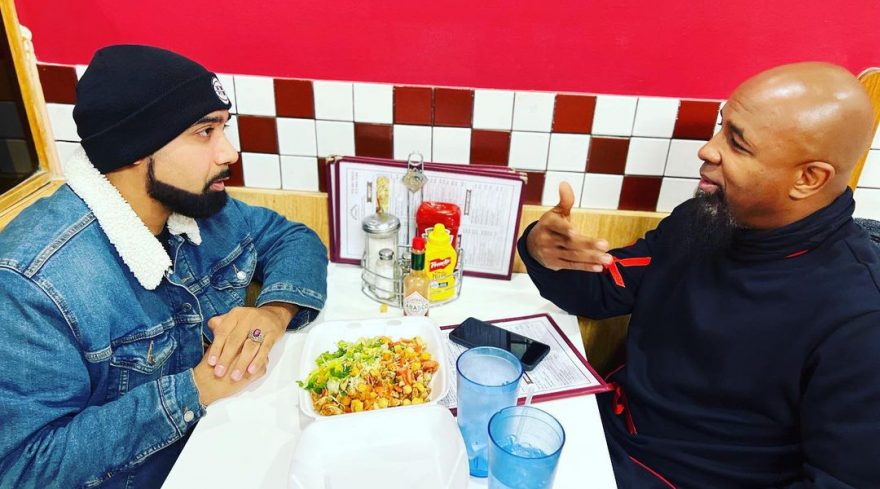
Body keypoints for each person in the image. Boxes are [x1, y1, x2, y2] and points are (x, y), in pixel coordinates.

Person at [519, 62, 880, 488]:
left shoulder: (860, 318)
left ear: (808, 178)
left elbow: (841, 480)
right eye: (720, 127)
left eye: (737, 143)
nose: (707, 150)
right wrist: (543, 250)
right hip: (601, 434)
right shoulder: (705, 219)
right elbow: (603, 288)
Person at [0, 45, 328, 488]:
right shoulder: (31, 284)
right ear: (134, 147)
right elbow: (24, 467)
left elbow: (292, 238)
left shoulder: (195, 205)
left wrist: (272, 313)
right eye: (205, 132)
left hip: (223, 450)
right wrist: (195, 390)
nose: (229, 152)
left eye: (224, 128)